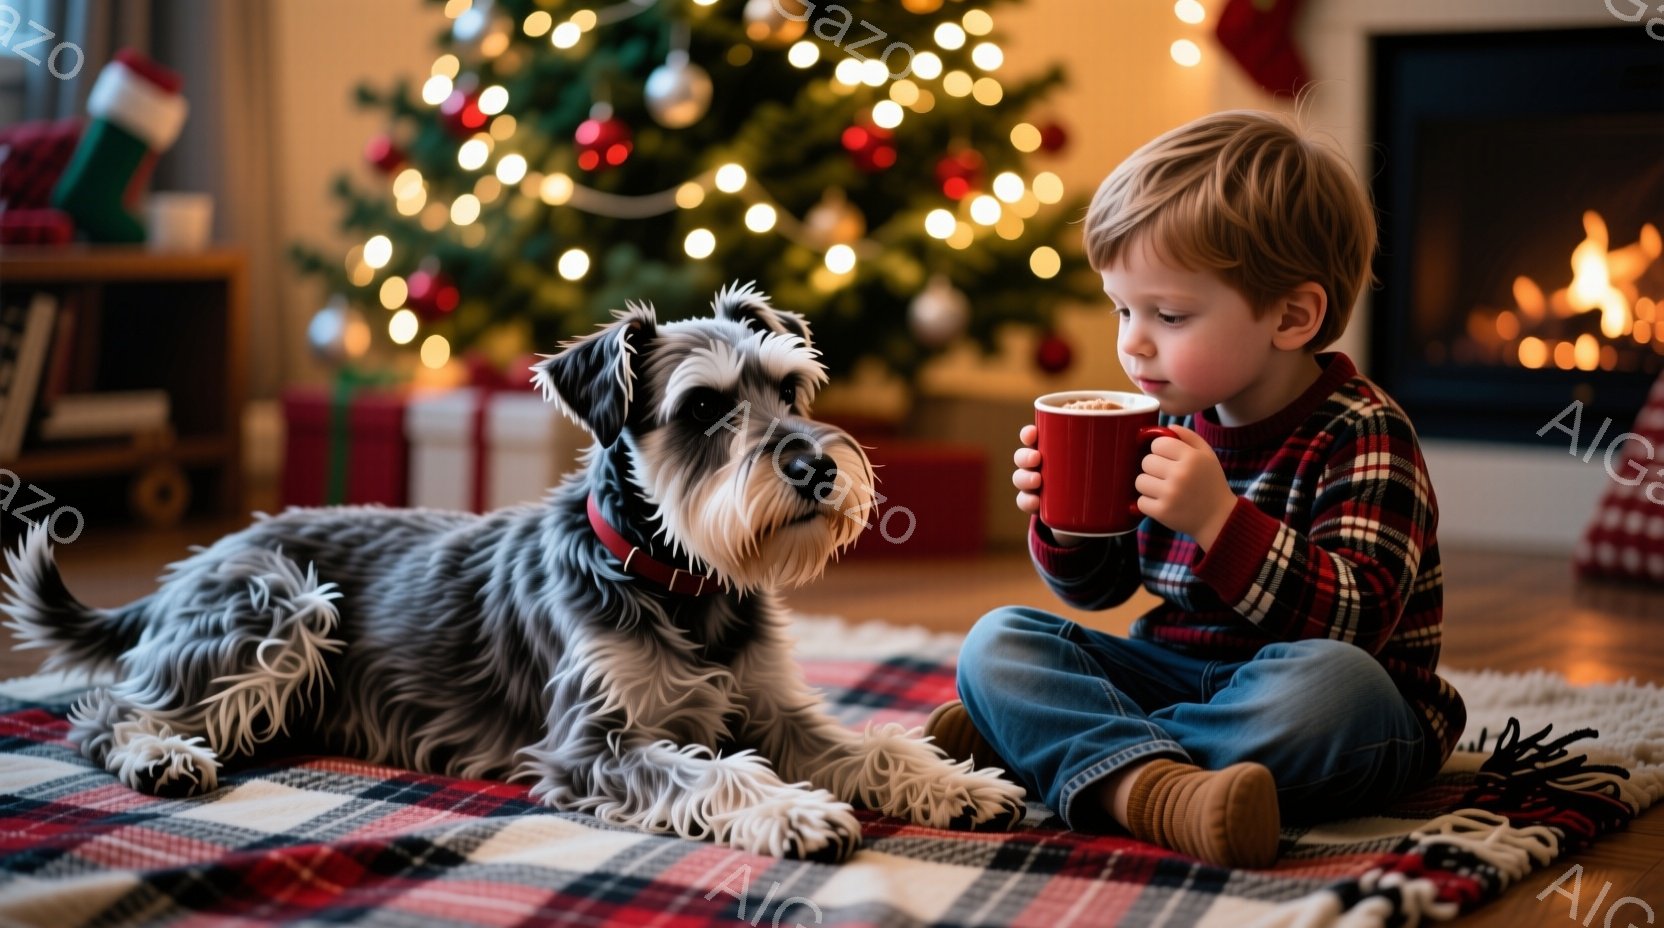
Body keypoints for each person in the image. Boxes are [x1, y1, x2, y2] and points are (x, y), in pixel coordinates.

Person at [925, 109, 1466, 870]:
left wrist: (1219, 519)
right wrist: (1066, 526)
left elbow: (1354, 623)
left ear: (1292, 316)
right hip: (1174, 673)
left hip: (1327, 700)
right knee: (999, 641)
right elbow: (1101, 591)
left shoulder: (1365, 433)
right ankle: (1158, 784)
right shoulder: (1170, 419)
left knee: (1335, 689)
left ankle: (1067, 750)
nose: (1132, 342)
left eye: (1169, 315)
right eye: (1122, 309)